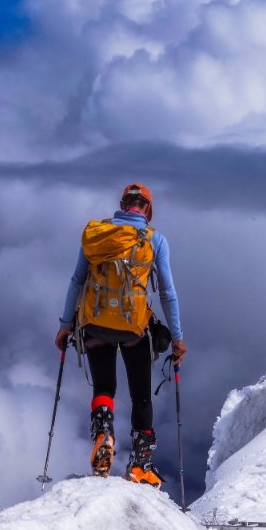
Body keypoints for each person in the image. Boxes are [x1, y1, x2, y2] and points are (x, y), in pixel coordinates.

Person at [55, 183, 186, 486]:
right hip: (134, 330)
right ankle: (140, 465)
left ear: (122, 204)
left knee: (104, 385)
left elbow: (77, 280)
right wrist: (177, 337)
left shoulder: (97, 234)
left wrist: (64, 324)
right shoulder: (155, 240)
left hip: (94, 325)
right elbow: (167, 292)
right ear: (148, 210)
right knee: (141, 395)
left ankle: (103, 433)